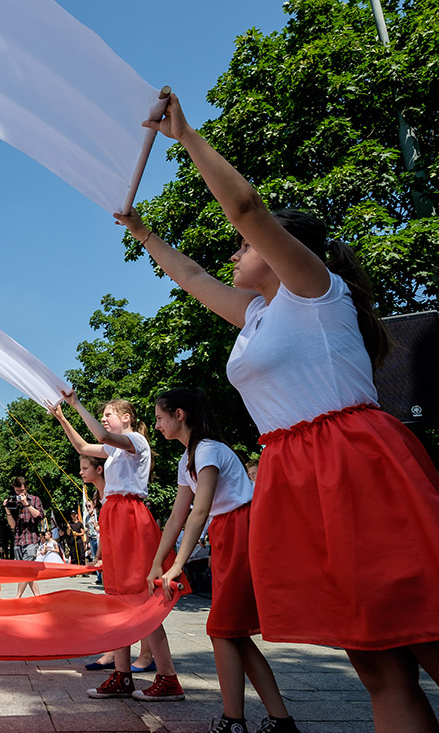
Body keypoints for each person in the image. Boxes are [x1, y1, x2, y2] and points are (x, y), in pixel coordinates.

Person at [116, 92, 439, 731]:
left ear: (281, 244)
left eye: (242, 246)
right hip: (294, 470)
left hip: (352, 459)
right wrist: (142, 231)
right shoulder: (258, 316)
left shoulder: (312, 288)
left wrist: (187, 139)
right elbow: (192, 279)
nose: (234, 252)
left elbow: (244, 206)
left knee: (427, 631)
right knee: (376, 664)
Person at [152, 388, 297, 733]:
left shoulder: (208, 450)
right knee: (231, 633)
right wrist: (158, 561)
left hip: (240, 529)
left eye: (160, 417)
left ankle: (235, 721)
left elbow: (199, 510)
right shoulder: (188, 457)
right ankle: (279, 720)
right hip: (227, 531)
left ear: (179, 414)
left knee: (222, 630)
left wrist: (177, 564)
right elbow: (177, 516)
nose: (157, 424)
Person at [49, 395, 180, 701]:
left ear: (128, 417)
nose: (105, 418)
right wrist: (62, 419)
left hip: (130, 517)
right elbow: (84, 447)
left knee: (139, 600)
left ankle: (169, 677)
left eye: (109, 413)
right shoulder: (115, 451)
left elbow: (103, 436)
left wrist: (76, 405)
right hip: (116, 516)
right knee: (117, 601)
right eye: (103, 414)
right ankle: (122, 676)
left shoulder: (134, 441)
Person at [4, 477, 42, 597]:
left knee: (25, 569)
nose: (20, 493)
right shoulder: (14, 502)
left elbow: (40, 516)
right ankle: (37, 596)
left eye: (22, 490)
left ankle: (17, 597)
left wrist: (27, 504)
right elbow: (12, 525)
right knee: (27, 571)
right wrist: (8, 510)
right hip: (18, 540)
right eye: (17, 491)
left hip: (31, 539)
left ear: (26, 488)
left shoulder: (35, 499)